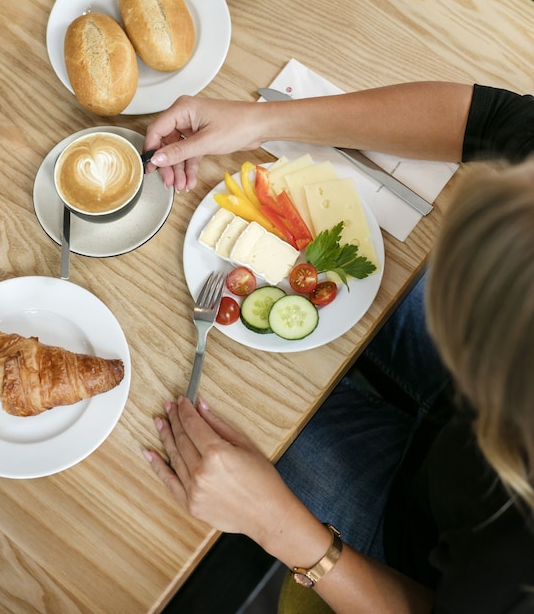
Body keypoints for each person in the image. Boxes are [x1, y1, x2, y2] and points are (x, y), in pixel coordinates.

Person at [138, 83, 534, 612]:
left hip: (423, 544)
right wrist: (261, 121)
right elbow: (491, 120)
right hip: (465, 428)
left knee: (209, 417)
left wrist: (280, 527)